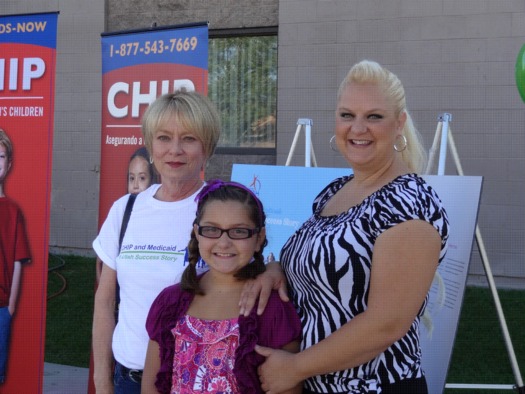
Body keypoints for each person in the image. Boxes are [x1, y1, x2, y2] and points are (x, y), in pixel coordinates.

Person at [255, 60, 450, 393]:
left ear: (399, 123)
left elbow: (385, 325)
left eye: (374, 116)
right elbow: (319, 268)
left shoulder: (409, 203)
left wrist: (293, 368)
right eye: (347, 115)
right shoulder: (335, 190)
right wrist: (277, 269)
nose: (357, 129)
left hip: (375, 386)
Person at [92, 91, 222, 394]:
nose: (174, 150)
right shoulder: (125, 209)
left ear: (207, 148)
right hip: (127, 380)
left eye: (189, 138)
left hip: (193, 381)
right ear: (151, 147)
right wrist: (102, 381)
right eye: (164, 138)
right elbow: (105, 301)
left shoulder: (219, 210)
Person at [142, 180, 302, 394]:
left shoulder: (271, 309)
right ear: (197, 233)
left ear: (259, 238)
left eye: (239, 231)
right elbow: (150, 387)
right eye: (212, 230)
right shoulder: (170, 302)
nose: (224, 242)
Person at [95, 146, 159, 283]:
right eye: (131, 178)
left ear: (154, 179)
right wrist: (110, 293)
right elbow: (101, 262)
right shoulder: (121, 210)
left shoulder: (163, 216)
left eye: (142, 178)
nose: (135, 185)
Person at [0, 129, 31, 385]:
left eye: (0, 156)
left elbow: (18, 261)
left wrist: (9, 309)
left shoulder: (13, 211)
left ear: (9, 163)